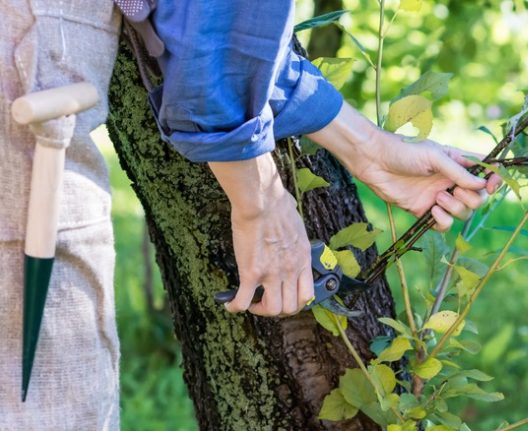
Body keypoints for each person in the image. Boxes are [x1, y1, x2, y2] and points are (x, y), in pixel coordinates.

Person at [0, 0, 498, 428]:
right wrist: (258, 196)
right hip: (28, 71)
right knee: (41, 393)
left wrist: (368, 150)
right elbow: (218, 18)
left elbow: (223, 27)